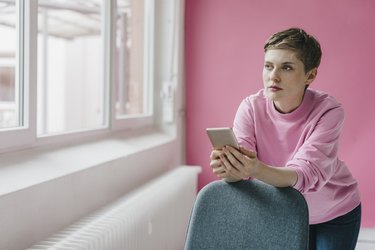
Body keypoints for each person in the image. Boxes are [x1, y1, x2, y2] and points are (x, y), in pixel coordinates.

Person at [210, 27, 361, 250]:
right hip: (283, 212)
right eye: (268, 66)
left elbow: (306, 174)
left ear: (310, 75)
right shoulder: (250, 107)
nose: (273, 76)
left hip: (335, 212)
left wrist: (252, 168)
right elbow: (243, 173)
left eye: (287, 67)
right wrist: (229, 168)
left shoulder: (329, 110)